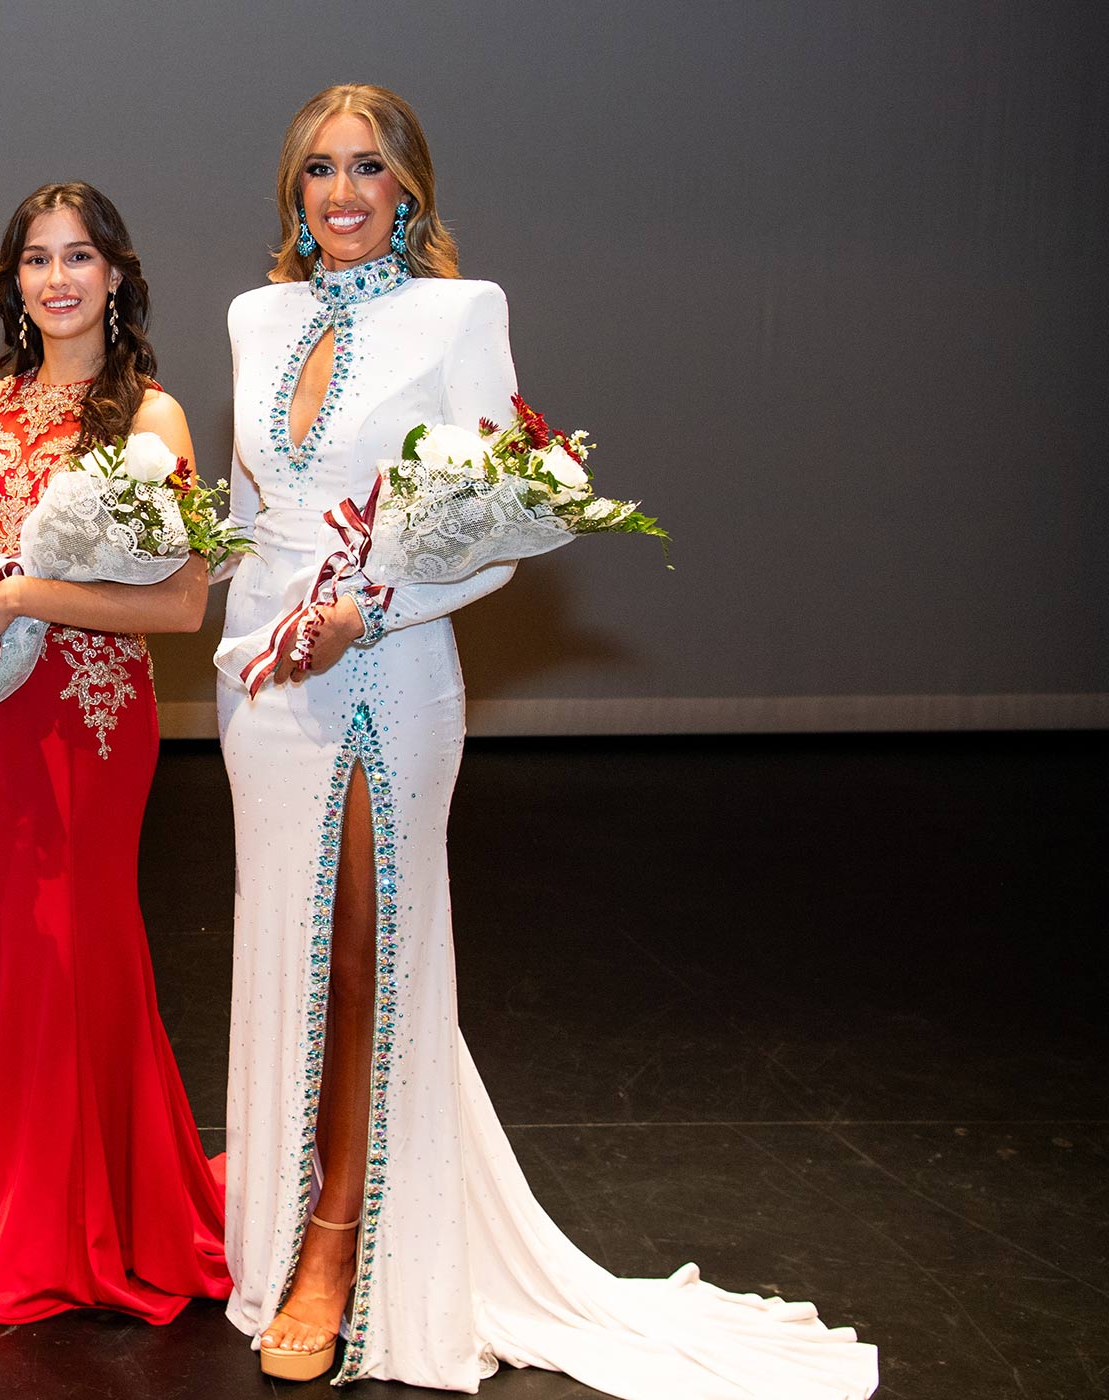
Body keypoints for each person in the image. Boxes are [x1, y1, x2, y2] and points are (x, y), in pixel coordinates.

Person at [217, 84, 878, 1397]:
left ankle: (343, 1247)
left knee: (365, 947)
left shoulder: (461, 313)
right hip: (264, 686)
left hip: (388, 673)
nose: (341, 194)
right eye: (317, 172)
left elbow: (505, 527)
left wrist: (372, 607)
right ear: (291, 192)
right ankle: (288, 1219)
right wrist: (248, 642)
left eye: (367, 168)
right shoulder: (254, 315)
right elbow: (250, 505)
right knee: (283, 940)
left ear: (410, 185)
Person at [0, 182, 230, 1325]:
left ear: (117, 273)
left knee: (80, 937)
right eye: (36, 259)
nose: (58, 277)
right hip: (3, 713)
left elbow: (181, 604)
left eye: (80, 256)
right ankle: (41, 1201)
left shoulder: (148, 419)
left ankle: (110, 1213)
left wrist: (20, 593)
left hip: (98, 714)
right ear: (14, 282)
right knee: (22, 942)